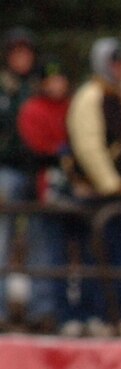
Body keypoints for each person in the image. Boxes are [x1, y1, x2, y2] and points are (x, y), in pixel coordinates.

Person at [65, 37, 121, 337]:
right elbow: (89, 146)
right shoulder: (91, 96)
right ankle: (101, 316)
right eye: (116, 61)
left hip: (120, 194)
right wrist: (110, 184)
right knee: (100, 255)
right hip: (101, 195)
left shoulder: (120, 97)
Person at [15, 54, 74, 334]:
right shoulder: (33, 109)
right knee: (43, 246)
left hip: (70, 186)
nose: (56, 84)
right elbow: (37, 148)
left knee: (65, 249)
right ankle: (41, 310)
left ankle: (63, 310)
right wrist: (57, 155)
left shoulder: (71, 107)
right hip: (42, 186)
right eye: (50, 79)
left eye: (59, 78)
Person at [0, 27, 38, 329]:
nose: (22, 58)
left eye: (27, 52)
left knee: (40, 239)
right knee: (2, 238)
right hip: (7, 170)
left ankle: (40, 310)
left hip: (34, 172)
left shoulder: (37, 88)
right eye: (17, 52)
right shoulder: (5, 89)